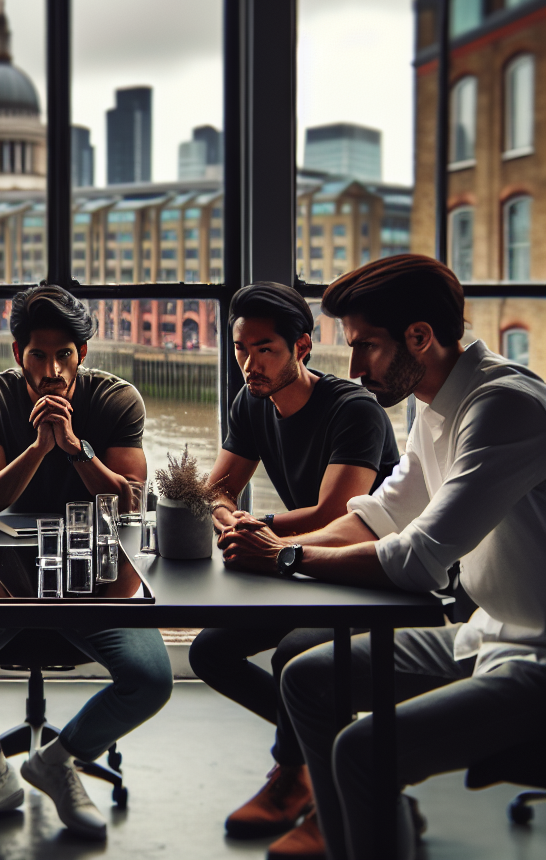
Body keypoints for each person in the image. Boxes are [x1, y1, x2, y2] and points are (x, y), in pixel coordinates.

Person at [220, 255, 546, 860]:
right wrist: (268, 546)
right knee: (307, 679)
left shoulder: (504, 406)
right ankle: (367, 839)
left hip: (539, 656)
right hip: (487, 634)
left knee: (362, 750)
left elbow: (419, 557)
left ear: (418, 337)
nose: (352, 366)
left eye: (366, 345)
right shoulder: (440, 403)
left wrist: (287, 558)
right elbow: (381, 511)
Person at [0, 284, 173, 841]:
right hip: (0, 577)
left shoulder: (116, 400)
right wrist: (36, 448)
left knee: (151, 678)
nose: (51, 369)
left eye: (64, 355)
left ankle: (60, 760)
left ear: (82, 355)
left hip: (93, 577)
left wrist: (76, 448)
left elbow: (132, 502)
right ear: (17, 354)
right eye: (38, 355)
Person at [189, 283, 398, 855]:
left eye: (265, 349)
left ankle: (308, 783)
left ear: (301, 346)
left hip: (369, 574)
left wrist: (260, 526)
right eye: (239, 348)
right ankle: (316, 761)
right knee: (209, 651)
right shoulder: (251, 402)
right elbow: (217, 489)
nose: (248, 363)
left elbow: (338, 512)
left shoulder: (354, 410)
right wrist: (231, 521)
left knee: (293, 657)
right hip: (298, 568)